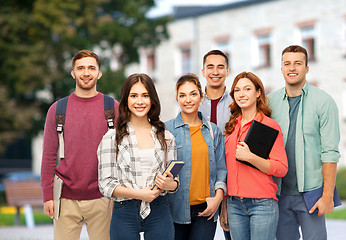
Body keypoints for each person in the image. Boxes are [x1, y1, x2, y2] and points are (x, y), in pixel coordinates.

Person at [41, 50, 118, 240]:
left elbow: (123, 152)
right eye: (81, 68)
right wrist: (47, 196)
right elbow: (49, 155)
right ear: (73, 73)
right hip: (65, 197)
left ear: (99, 73)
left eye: (91, 68)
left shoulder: (112, 108)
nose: (86, 73)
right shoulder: (58, 109)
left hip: (103, 197)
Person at [269, 45, 341, 240]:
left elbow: (330, 152)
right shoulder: (269, 103)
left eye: (298, 63)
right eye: (287, 64)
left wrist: (327, 197)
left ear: (307, 68)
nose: (292, 68)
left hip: (312, 194)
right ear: (281, 68)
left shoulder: (324, 102)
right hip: (279, 194)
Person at [97, 73, 178, 240]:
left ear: (152, 99)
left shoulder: (167, 136)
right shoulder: (111, 137)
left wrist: (171, 184)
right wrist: (139, 194)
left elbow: (174, 181)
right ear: (126, 99)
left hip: (159, 210)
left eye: (145, 96)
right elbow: (105, 184)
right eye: (134, 96)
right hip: (124, 211)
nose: (140, 101)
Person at [222, 71, 288, 240]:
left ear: (258, 93)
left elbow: (281, 168)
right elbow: (225, 169)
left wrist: (251, 157)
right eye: (237, 90)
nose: (241, 94)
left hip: (262, 204)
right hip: (234, 204)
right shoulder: (231, 127)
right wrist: (224, 205)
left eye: (247, 89)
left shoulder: (269, 126)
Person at [165, 74, 227, 240]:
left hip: (206, 211)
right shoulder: (166, 130)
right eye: (182, 95)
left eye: (193, 94)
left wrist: (218, 199)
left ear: (201, 96)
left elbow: (221, 169)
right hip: (174, 210)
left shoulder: (213, 131)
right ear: (177, 98)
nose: (188, 100)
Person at [199, 49, 232, 239]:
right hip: (200, 184)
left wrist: (225, 200)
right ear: (203, 72)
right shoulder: (193, 103)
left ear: (227, 71)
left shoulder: (237, 103)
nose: (215, 72)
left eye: (220, 67)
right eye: (210, 67)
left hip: (232, 184)